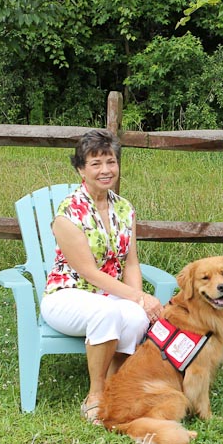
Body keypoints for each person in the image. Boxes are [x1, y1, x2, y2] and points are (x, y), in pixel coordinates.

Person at [40, 129, 162, 425]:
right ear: (81, 169)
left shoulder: (124, 208)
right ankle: (95, 395)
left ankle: (114, 387)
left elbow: (131, 263)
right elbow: (89, 273)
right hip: (68, 294)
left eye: (111, 162)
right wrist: (138, 296)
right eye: (96, 163)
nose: (105, 170)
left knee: (135, 318)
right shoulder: (68, 212)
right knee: (107, 312)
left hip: (110, 294)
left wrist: (139, 304)